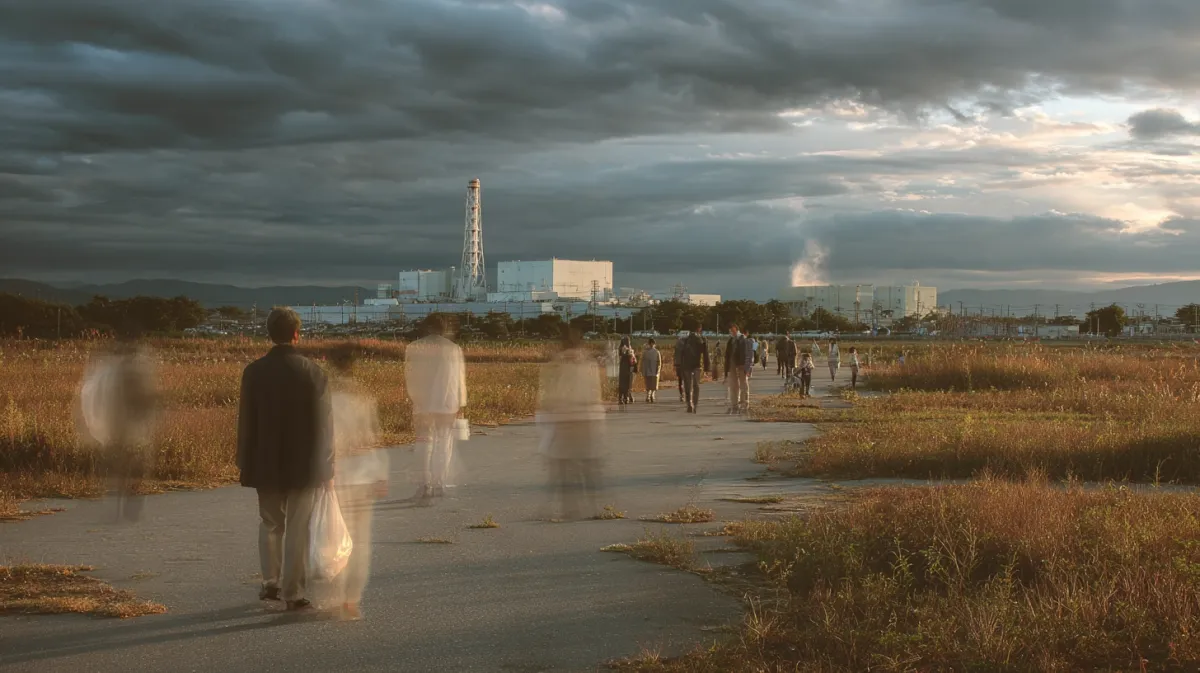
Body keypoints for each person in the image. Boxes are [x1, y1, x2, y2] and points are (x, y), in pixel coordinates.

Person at [237, 307, 332, 613]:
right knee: (298, 527)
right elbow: (324, 426)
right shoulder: (314, 372)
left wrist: (244, 460)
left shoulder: (253, 372)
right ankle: (294, 592)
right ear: (296, 334)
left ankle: (270, 583)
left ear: (269, 334)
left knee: (270, 522)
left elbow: (246, 421)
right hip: (304, 462)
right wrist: (327, 465)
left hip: (264, 460)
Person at [328, 346, 389, 621]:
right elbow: (374, 436)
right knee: (361, 541)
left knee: (336, 537)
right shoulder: (363, 396)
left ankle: (335, 593)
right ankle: (351, 598)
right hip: (364, 472)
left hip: (335, 475)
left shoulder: (324, 397)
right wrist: (381, 472)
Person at [78, 338, 158, 524]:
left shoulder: (110, 373)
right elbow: (144, 403)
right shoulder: (133, 374)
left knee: (119, 467)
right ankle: (130, 506)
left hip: (116, 430)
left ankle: (119, 506)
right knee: (133, 466)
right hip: (129, 431)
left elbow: (95, 399)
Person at [538, 328, 606, 520]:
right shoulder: (590, 364)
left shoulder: (555, 366)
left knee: (564, 467)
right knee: (588, 465)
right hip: (588, 420)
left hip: (564, 420)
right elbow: (596, 394)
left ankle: (570, 508)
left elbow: (547, 397)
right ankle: (595, 506)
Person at [406, 314, 467, 502]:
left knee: (423, 443)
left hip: (423, 403)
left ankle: (424, 484)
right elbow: (459, 378)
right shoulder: (453, 349)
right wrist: (461, 403)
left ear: (426, 327)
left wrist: (415, 398)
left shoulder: (414, 347)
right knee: (443, 443)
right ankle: (439, 482)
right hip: (447, 403)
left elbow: (410, 377)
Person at [677, 319, 710, 413]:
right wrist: (707, 367)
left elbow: (679, 353)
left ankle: (689, 403)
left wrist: (678, 365)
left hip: (686, 365)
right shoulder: (702, 339)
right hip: (697, 365)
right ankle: (695, 404)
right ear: (699, 328)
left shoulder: (684, 339)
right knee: (696, 385)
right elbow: (706, 354)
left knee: (688, 385)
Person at [723, 325, 753, 414]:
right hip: (732, 364)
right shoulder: (731, 340)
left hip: (742, 365)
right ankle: (734, 405)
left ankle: (744, 404)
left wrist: (748, 367)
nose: (731, 332)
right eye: (730, 331)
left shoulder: (744, 340)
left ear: (737, 330)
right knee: (733, 385)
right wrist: (726, 369)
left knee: (743, 385)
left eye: (732, 330)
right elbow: (727, 355)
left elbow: (749, 354)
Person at [617, 336, 637, 407]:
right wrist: (629, 353)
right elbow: (624, 355)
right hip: (625, 368)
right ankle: (622, 398)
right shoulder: (623, 348)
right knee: (624, 383)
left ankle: (625, 397)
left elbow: (632, 358)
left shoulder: (628, 348)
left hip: (626, 368)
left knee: (626, 383)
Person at [641, 338, 662, 403]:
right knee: (651, 384)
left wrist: (658, 368)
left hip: (651, 370)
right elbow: (659, 362)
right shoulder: (654, 352)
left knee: (650, 383)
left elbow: (659, 362)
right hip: (651, 370)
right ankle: (650, 395)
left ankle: (650, 395)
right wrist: (658, 369)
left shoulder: (647, 352)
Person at [674, 332, 687, 402]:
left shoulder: (677, 346)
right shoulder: (687, 346)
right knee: (686, 380)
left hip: (678, 364)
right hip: (686, 365)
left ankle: (682, 394)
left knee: (680, 381)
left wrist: (675, 363)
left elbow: (675, 356)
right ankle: (686, 394)